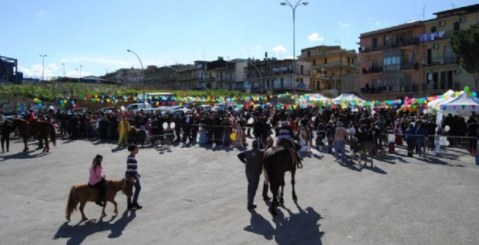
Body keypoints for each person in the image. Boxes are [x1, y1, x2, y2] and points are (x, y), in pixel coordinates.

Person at [237, 140, 263, 210]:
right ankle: (250, 204)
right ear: (258, 145)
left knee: (250, 185)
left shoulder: (248, 152)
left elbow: (239, 155)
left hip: (248, 172)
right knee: (253, 189)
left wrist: (245, 162)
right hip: (255, 173)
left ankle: (249, 199)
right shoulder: (260, 153)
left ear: (252, 145)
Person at [126, 144, 142, 210]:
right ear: (133, 150)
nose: (138, 150)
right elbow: (130, 168)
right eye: (137, 149)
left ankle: (129, 205)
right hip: (132, 175)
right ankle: (134, 203)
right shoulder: (131, 158)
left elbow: (131, 167)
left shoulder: (131, 156)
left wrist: (137, 173)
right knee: (138, 188)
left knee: (129, 189)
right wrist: (132, 177)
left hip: (131, 174)